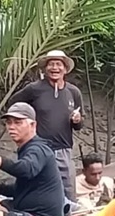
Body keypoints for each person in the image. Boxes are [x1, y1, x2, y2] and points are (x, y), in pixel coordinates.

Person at [9, 50, 84, 205]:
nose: (54, 68)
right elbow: (13, 104)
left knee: (68, 192)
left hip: (64, 150)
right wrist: (24, 126)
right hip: (38, 150)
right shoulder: (34, 89)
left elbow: (79, 126)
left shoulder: (73, 92)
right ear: (45, 68)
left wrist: (77, 120)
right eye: (51, 64)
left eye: (58, 64)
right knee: (36, 189)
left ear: (65, 69)